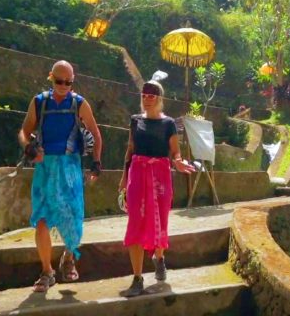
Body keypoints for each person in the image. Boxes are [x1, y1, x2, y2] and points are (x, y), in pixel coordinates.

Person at [18, 60, 103, 292]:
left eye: (68, 82)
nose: (64, 85)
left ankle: (68, 258)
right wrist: (29, 148)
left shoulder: (79, 104)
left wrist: (96, 164)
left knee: (72, 217)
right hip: (45, 167)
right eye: (59, 81)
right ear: (50, 77)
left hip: (70, 168)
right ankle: (47, 271)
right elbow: (24, 132)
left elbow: (96, 133)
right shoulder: (39, 102)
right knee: (42, 220)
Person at [118, 78, 195, 297]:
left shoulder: (168, 123)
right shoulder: (135, 121)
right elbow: (130, 150)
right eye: (144, 95)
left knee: (160, 221)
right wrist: (124, 178)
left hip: (161, 177)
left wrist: (178, 161)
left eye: (151, 95)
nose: (147, 99)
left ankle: (159, 257)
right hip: (138, 174)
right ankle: (137, 278)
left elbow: (175, 152)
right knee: (135, 222)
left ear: (159, 98)